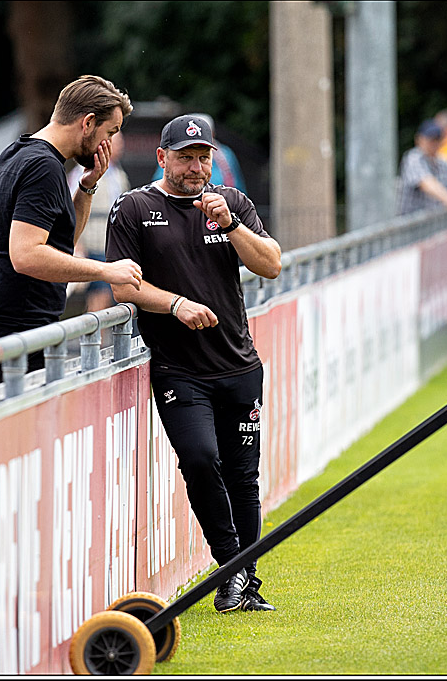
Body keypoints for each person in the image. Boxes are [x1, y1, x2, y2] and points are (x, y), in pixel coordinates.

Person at [106, 114, 282, 613]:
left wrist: (229, 223)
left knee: (244, 477)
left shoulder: (233, 205)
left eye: (203, 157)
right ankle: (233, 570)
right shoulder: (135, 208)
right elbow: (123, 286)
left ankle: (242, 582)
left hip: (240, 365)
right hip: (179, 369)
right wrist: (176, 304)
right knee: (202, 460)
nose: (195, 167)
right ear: (162, 157)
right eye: (184, 157)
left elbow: (270, 263)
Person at [0, 75, 141, 387]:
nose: (110, 144)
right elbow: (26, 255)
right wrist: (106, 270)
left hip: (13, 329)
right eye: (109, 132)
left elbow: (59, 246)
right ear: (87, 123)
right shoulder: (42, 167)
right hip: (14, 334)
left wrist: (87, 187)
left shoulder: (22, 152)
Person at [66, 132, 131, 313]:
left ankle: (96, 338)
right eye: (116, 143)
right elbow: (70, 207)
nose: (121, 147)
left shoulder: (118, 173)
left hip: (109, 245)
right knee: (99, 293)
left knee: (103, 294)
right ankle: (95, 339)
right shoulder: (82, 171)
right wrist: (76, 243)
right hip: (89, 244)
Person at [150, 113, 248, 194]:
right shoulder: (173, 153)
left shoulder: (226, 154)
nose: (196, 168)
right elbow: (162, 182)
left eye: (204, 157)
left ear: (212, 134)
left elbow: (238, 187)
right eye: (186, 157)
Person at [395, 119, 447, 216]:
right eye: (430, 139)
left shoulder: (443, 161)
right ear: (419, 139)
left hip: (432, 225)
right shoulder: (413, 158)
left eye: (437, 139)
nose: (434, 143)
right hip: (411, 225)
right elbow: (426, 183)